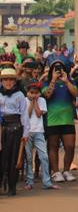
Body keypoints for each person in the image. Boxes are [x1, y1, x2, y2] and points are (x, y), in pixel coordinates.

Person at [42, 60, 78, 183]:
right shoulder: (46, 83)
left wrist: (66, 81)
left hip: (67, 119)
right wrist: (53, 80)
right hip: (52, 120)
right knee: (53, 146)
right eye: (55, 69)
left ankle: (66, 170)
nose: (58, 70)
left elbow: (75, 93)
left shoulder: (70, 82)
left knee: (70, 146)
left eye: (61, 68)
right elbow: (47, 95)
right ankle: (56, 172)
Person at [0, 67, 29, 196]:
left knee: (14, 159)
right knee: (2, 158)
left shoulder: (20, 95)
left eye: (11, 80)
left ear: (15, 81)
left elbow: (24, 115)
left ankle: (12, 186)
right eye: (5, 80)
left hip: (16, 128)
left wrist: (26, 133)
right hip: (2, 129)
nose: (8, 82)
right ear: (1, 81)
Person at [22, 82, 56, 190]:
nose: (33, 94)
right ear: (27, 92)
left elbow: (38, 113)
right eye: (31, 92)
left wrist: (35, 101)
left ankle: (47, 182)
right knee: (28, 157)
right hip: (27, 132)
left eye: (36, 93)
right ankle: (29, 181)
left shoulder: (42, 101)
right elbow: (27, 114)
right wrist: (32, 101)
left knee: (44, 156)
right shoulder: (23, 100)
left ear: (39, 93)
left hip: (39, 131)